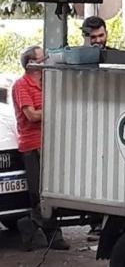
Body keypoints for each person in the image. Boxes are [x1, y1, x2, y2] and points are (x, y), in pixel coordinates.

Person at [12, 46, 69, 250]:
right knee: (40, 193)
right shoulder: (21, 85)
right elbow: (32, 115)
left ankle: (39, 229)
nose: (46, 60)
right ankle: (36, 228)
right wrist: (54, 109)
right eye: (42, 57)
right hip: (32, 144)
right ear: (31, 64)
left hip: (49, 142)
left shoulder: (47, 83)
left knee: (52, 190)